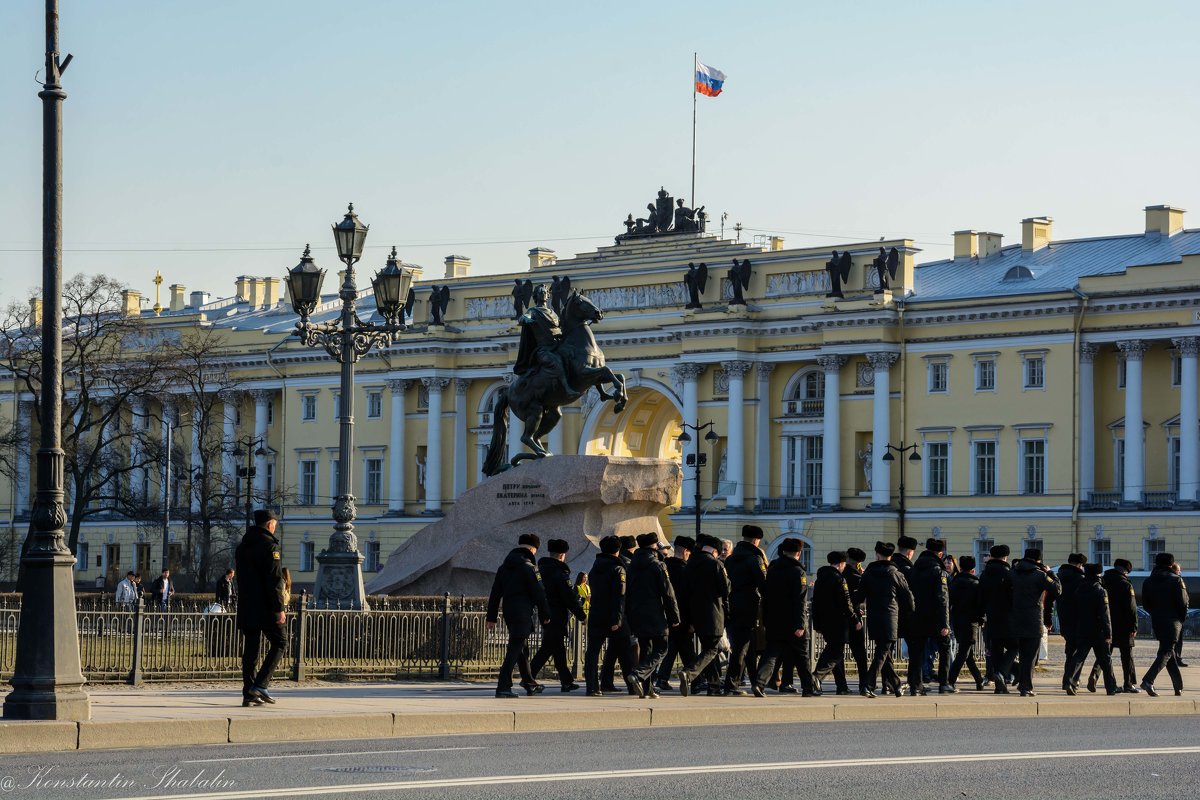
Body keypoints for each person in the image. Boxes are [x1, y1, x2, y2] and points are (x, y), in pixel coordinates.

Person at [486, 533, 551, 699]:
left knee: (521, 647)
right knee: (515, 648)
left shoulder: (503, 567)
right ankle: (503, 686)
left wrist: (491, 617)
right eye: (535, 550)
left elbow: (495, 593)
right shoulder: (529, 568)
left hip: (509, 611)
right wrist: (545, 614)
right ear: (531, 549)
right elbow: (539, 594)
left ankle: (530, 684)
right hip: (522, 612)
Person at [235, 509, 288, 707]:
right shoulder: (270, 546)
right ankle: (261, 684)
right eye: (275, 523)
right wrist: (279, 608)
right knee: (281, 642)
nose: (276, 526)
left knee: (251, 649)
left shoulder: (242, 546)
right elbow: (274, 581)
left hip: (247, 605)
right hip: (266, 606)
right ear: (268, 524)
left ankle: (248, 693)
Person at [752, 537, 816, 697]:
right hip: (793, 621)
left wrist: (766, 619)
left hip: (774, 620)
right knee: (802, 657)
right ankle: (808, 688)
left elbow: (766, 596)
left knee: (772, 653)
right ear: (799, 553)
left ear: (783, 551)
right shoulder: (798, 572)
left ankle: (759, 683)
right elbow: (800, 600)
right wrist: (801, 624)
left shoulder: (772, 569)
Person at [854, 541, 914, 698]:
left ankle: (897, 685)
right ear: (891, 556)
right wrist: (908, 613)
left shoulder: (868, 573)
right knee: (882, 654)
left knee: (883, 653)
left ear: (876, 555)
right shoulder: (896, 574)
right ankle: (868, 685)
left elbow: (859, 597)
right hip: (890, 618)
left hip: (873, 618)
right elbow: (908, 598)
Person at [626, 532, 681, 698]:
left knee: (646, 650)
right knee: (662, 647)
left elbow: (627, 593)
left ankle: (646, 689)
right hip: (655, 613)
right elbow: (668, 594)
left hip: (636, 613)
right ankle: (637, 674)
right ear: (654, 546)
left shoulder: (632, 565)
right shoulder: (658, 565)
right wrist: (674, 617)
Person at [529, 539, 586, 692]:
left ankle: (566, 681)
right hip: (557, 615)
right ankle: (528, 678)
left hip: (544, 613)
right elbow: (568, 597)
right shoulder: (559, 572)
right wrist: (582, 615)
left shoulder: (539, 569)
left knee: (558, 648)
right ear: (562, 555)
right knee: (547, 648)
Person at [677, 534, 730, 697]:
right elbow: (725, 590)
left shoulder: (690, 563)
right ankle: (689, 673)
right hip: (713, 613)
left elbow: (684, 592)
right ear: (715, 551)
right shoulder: (715, 564)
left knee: (708, 648)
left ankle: (713, 686)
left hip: (695, 614)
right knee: (713, 648)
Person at [722, 525, 768, 696]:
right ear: (756, 540)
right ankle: (731, 684)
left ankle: (755, 681)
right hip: (749, 606)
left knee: (747, 644)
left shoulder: (730, 559)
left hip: (731, 605)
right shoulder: (755, 559)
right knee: (742, 646)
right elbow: (763, 584)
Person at [1009, 547, 1061, 696]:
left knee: (1022, 654)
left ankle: (1022, 682)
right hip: (1033, 621)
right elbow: (1057, 589)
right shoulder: (1040, 575)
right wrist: (1050, 572)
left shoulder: (1013, 573)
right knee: (1030, 656)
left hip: (1016, 619)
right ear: (1038, 561)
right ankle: (1026, 686)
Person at [584, 535, 631, 696]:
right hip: (614, 617)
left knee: (592, 652)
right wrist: (617, 619)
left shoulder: (595, 567)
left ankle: (592, 687)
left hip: (596, 614)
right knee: (626, 652)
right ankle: (632, 685)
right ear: (618, 550)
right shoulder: (619, 569)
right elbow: (620, 596)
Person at [1063, 563, 1119, 695]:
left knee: (1078, 657)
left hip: (1083, 628)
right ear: (1098, 574)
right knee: (1106, 659)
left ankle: (1068, 681)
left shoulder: (1079, 589)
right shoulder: (1100, 590)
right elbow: (1105, 614)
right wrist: (1108, 633)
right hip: (1098, 630)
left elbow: (1074, 611)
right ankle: (1111, 687)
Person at [1140, 552, 1189, 697]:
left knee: (1169, 652)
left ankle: (1178, 687)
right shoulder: (1176, 580)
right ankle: (1148, 680)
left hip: (1157, 620)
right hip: (1173, 621)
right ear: (1170, 564)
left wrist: (1156, 614)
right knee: (1167, 651)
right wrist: (1181, 619)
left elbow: (1146, 604)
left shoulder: (1148, 581)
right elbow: (1183, 603)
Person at [811, 550, 859, 695]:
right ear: (841, 564)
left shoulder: (820, 578)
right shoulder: (839, 579)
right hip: (838, 622)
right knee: (836, 653)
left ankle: (842, 686)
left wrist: (817, 623)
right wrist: (855, 618)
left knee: (836, 652)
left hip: (824, 622)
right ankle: (816, 676)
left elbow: (815, 603)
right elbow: (846, 602)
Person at [911, 538, 952, 694]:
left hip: (917, 616)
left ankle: (916, 685)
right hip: (935, 618)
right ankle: (944, 683)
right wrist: (945, 623)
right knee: (945, 647)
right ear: (940, 554)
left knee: (918, 650)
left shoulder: (915, 568)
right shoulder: (938, 571)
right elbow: (942, 599)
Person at [600, 535, 640, 694]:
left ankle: (606, 682)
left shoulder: (605, 563)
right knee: (625, 650)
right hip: (623, 613)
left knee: (614, 649)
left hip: (613, 613)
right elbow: (623, 594)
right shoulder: (625, 564)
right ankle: (631, 685)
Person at [656, 535, 695, 691]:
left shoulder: (665, 566)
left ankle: (662, 677)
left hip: (667, 614)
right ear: (685, 551)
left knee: (674, 646)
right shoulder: (684, 570)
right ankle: (695, 678)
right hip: (682, 615)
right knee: (685, 647)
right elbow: (687, 595)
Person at [1096, 558, 1139, 693]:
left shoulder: (1103, 581)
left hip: (1106, 623)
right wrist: (1134, 626)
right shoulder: (1126, 584)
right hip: (1124, 625)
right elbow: (1132, 608)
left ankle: (1094, 676)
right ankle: (1129, 683)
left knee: (1105, 654)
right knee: (1127, 656)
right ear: (1126, 571)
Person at [979, 544, 1017, 694]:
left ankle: (999, 686)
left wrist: (981, 615)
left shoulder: (985, 574)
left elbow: (980, 597)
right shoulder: (1008, 573)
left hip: (991, 618)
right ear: (1005, 557)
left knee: (996, 650)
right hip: (1008, 617)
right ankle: (1001, 673)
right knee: (1014, 646)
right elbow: (1012, 597)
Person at [947, 555, 986, 690]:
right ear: (973, 570)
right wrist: (981, 619)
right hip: (971, 622)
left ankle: (979, 680)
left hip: (957, 621)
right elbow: (981, 605)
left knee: (967, 653)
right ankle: (950, 680)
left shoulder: (954, 583)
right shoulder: (976, 584)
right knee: (963, 652)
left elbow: (948, 602)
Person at [891, 535, 919, 695]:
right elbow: (911, 592)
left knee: (887, 650)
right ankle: (913, 683)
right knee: (915, 649)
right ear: (910, 552)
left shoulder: (891, 564)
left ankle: (888, 682)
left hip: (891, 613)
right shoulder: (910, 569)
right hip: (907, 615)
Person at [1056, 552, 1088, 692]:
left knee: (1070, 651)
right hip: (1079, 620)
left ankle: (1067, 680)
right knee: (1078, 653)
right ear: (1080, 565)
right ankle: (1072, 679)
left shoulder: (1059, 576)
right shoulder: (1081, 579)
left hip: (1064, 618)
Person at [843, 547, 870, 680]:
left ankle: (841, 684)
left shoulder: (841, 574)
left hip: (841, 616)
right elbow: (858, 597)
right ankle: (864, 682)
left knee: (836, 652)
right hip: (854, 618)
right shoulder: (858, 577)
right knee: (860, 652)